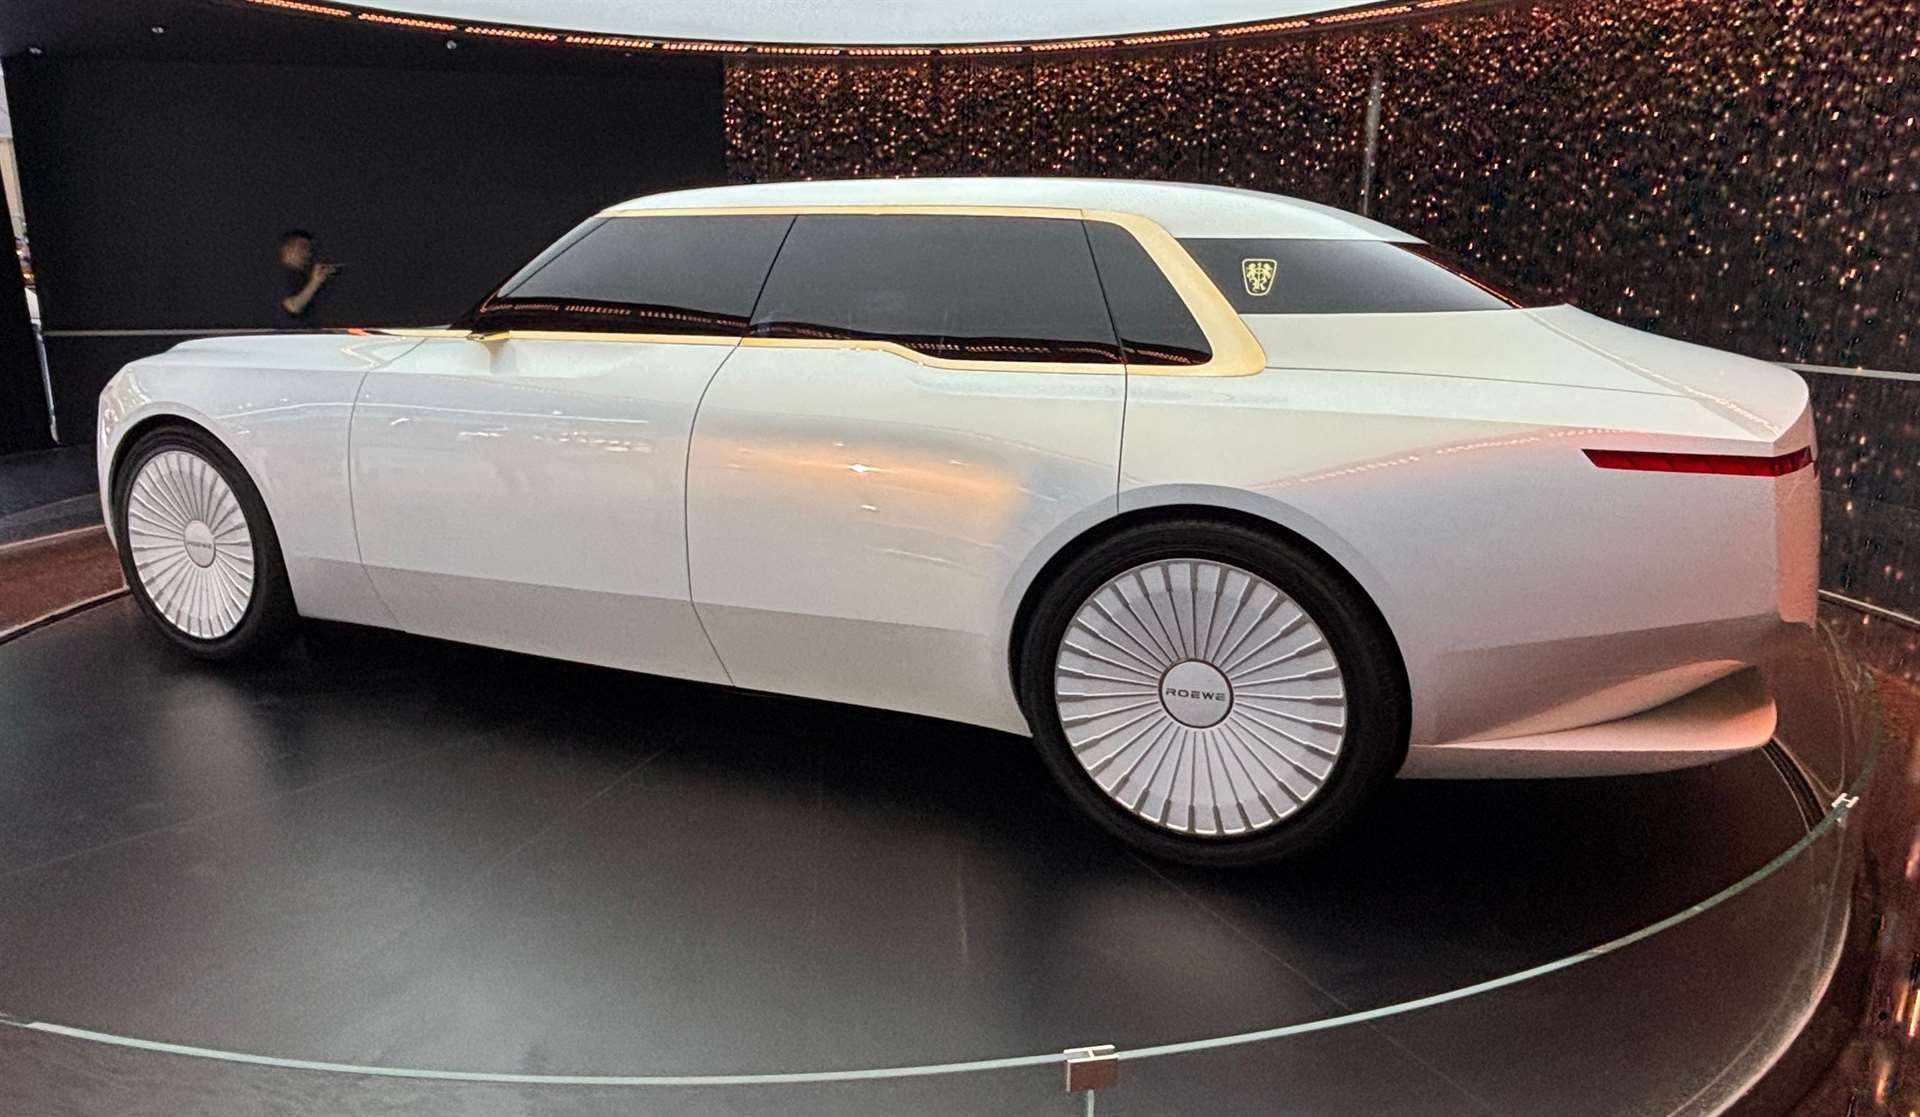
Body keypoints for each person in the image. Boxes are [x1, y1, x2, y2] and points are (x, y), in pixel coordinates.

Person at [277, 230, 338, 320]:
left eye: (309, 249)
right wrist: (315, 282)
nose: (308, 253)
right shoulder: (278, 277)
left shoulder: (304, 276)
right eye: (302, 247)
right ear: (287, 249)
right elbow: (293, 307)